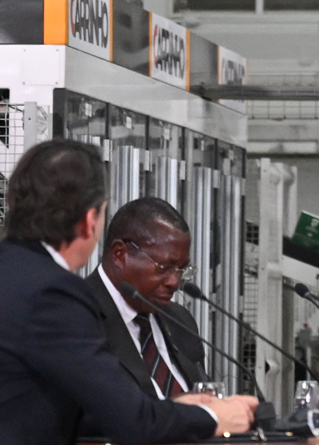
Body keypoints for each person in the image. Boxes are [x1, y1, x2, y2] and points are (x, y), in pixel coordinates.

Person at [0, 139, 257, 445]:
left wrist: (166, 410)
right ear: (89, 221)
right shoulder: (53, 294)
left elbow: (52, 405)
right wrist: (216, 417)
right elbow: (133, 425)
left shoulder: (13, 273)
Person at [86, 198, 209, 403]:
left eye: (182, 270)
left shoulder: (180, 320)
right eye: (164, 267)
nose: (175, 282)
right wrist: (179, 412)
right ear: (120, 253)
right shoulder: (77, 315)